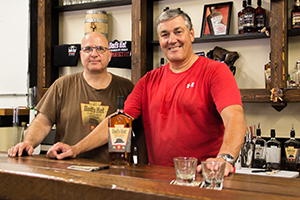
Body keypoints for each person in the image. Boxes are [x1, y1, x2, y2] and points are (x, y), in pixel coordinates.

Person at [46, 8, 246, 176]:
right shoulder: (149, 80)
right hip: (158, 179)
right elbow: (118, 121)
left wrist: (225, 158)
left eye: (178, 32)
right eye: (165, 35)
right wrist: (76, 148)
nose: (172, 40)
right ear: (159, 40)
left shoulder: (215, 71)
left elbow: (234, 117)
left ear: (191, 34)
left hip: (205, 176)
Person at [7, 32, 135, 161]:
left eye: (101, 49)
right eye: (88, 49)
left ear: (110, 55)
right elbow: (42, 122)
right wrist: (29, 142)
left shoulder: (127, 88)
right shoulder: (62, 85)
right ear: (80, 54)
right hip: (66, 166)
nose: (94, 54)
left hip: (114, 170)